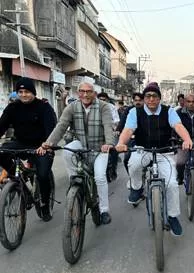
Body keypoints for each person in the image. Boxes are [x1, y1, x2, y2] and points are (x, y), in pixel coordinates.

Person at [115, 82, 193, 236]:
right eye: (148, 96)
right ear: (144, 98)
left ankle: (172, 216)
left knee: (171, 184)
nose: (151, 99)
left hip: (164, 151)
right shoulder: (135, 112)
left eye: (154, 96)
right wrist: (121, 143)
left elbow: (178, 126)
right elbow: (128, 129)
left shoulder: (168, 111)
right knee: (133, 164)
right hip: (142, 150)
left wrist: (187, 139)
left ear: (159, 98)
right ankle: (136, 188)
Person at [37, 81, 114, 224]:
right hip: (80, 144)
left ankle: (104, 210)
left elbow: (108, 126)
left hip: (99, 147)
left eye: (88, 91)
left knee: (100, 177)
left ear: (94, 93)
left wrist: (109, 143)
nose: (85, 94)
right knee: (67, 151)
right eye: (82, 91)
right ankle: (74, 179)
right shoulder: (72, 107)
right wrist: (49, 143)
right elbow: (61, 126)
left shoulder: (104, 107)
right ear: (78, 93)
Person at [0, 78, 57, 220]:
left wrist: (47, 145)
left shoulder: (44, 107)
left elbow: (52, 130)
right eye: (20, 92)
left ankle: (44, 204)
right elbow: (2, 126)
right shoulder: (13, 107)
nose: (24, 95)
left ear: (33, 92)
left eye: (27, 91)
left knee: (43, 175)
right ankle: (17, 177)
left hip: (42, 146)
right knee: (1, 152)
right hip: (20, 143)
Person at [116, 92, 144, 173]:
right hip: (130, 137)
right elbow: (123, 121)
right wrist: (118, 129)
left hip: (143, 138)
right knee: (127, 159)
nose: (138, 102)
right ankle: (132, 177)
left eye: (140, 100)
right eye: (135, 100)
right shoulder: (129, 110)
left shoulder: (147, 110)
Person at [97, 92, 120, 182]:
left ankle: (113, 169)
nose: (102, 101)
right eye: (100, 99)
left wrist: (115, 130)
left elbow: (116, 120)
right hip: (97, 133)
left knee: (114, 150)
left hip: (110, 132)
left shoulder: (111, 107)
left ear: (107, 100)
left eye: (104, 99)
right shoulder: (94, 107)